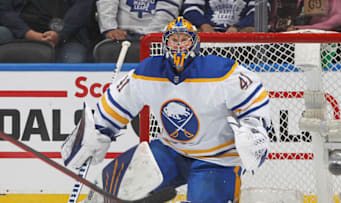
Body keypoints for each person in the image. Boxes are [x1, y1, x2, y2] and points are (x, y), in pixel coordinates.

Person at [61, 17, 271, 202]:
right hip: (171, 150)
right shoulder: (148, 71)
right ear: (165, 43)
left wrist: (254, 129)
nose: (179, 46)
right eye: (174, 40)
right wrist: (98, 130)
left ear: (195, 43)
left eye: (184, 40)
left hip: (217, 159)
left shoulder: (220, 71)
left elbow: (253, 95)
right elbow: (118, 101)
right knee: (113, 183)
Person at [0, 0, 98, 63]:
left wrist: (60, 34)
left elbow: (82, 8)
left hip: (68, 36)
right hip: (21, 31)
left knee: (74, 60)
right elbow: (4, 11)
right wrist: (28, 33)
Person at [182, 0, 271, 33]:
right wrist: (204, 25)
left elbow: (261, 12)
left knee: (254, 29)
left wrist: (238, 27)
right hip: (207, 37)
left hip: (240, 39)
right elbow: (190, 9)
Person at [270, 0, 341, 32]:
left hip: (322, 38)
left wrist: (300, 29)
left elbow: (339, 18)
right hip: (284, 39)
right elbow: (274, 19)